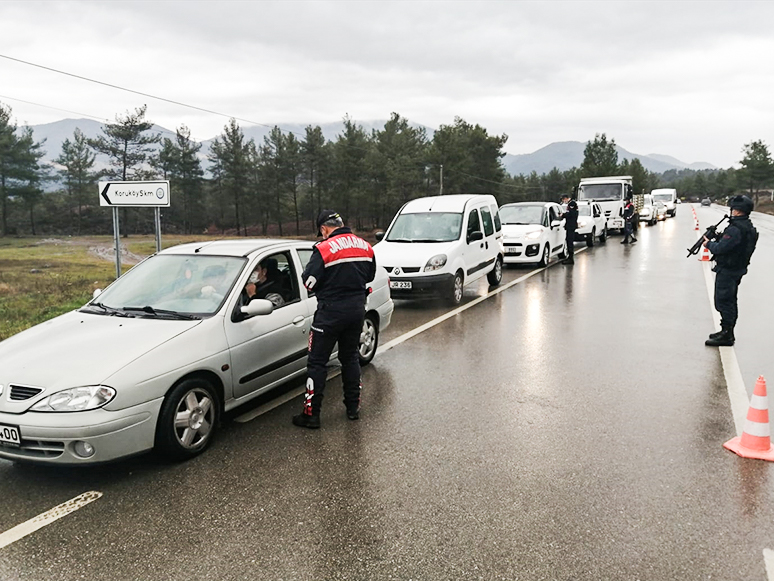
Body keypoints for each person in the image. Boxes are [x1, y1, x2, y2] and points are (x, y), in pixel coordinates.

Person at [292, 210, 376, 429]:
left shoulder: (323, 249)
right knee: (349, 358)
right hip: (357, 310)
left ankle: (311, 415)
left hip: (330, 313)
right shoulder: (365, 246)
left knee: (317, 362)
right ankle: (352, 408)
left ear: (323, 229)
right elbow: (370, 276)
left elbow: (309, 283)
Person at [703, 195, 758, 347]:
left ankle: (727, 335)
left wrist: (709, 245)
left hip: (729, 269)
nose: (732, 211)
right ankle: (725, 330)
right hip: (736, 268)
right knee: (728, 300)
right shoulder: (746, 226)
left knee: (724, 301)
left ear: (739, 211)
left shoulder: (736, 229)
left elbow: (722, 248)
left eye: (734, 208)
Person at [559, 194, 578, 264]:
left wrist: (563, 215)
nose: (564, 201)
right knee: (568, 240)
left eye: (564, 200)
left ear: (566, 198)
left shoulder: (572, 204)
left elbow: (571, 214)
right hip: (570, 225)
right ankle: (569, 257)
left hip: (571, 226)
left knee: (569, 241)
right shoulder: (571, 204)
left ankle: (570, 258)